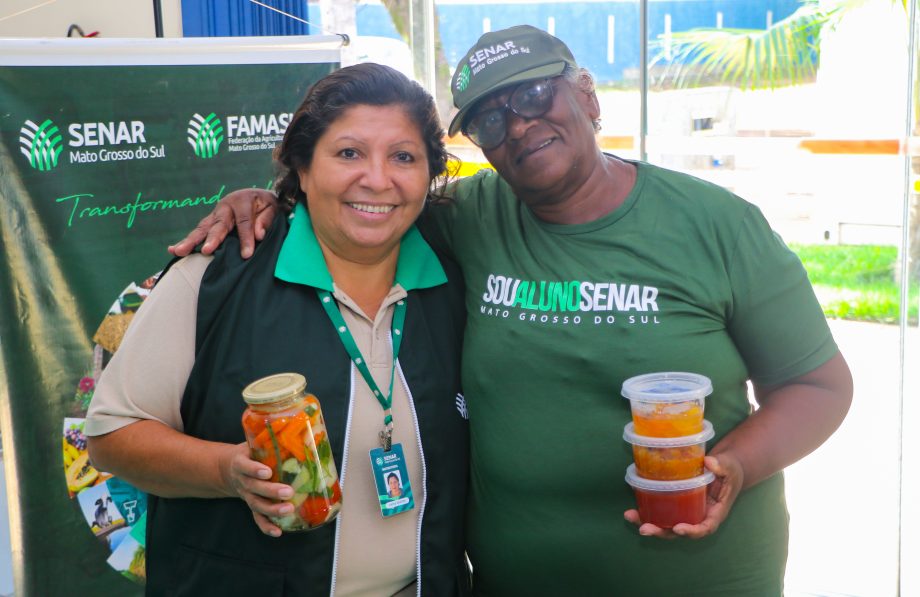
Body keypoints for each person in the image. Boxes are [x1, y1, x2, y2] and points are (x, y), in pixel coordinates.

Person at [170, 25, 853, 596]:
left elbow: (819, 385)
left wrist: (735, 464)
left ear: (586, 95)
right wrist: (267, 201)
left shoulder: (716, 225)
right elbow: (364, 200)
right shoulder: (467, 217)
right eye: (492, 118)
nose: (520, 124)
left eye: (534, 94)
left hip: (697, 575)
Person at [86, 63, 470, 596]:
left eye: (403, 157)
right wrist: (226, 471)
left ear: (429, 174)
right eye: (349, 153)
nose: (378, 179)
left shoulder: (454, 279)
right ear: (302, 168)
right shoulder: (216, 277)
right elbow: (111, 436)